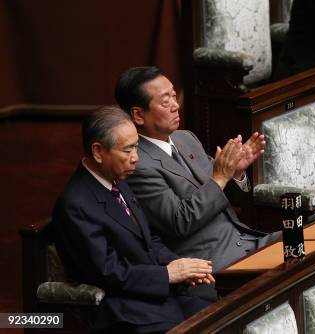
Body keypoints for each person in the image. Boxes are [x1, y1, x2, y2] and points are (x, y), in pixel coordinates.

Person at [115, 67, 277, 302]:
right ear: (138, 115)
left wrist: (235, 174)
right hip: (213, 265)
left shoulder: (185, 138)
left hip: (247, 240)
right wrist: (220, 177)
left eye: (174, 95)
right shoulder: (138, 165)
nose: (175, 105)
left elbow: (221, 195)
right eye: (165, 101)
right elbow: (180, 221)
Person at [53, 106, 214, 333]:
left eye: (136, 147)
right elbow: (107, 271)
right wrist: (166, 275)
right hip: (127, 308)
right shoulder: (75, 204)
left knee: (220, 313)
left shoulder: (118, 179)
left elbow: (149, 239)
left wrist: (180, 266)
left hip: (157, 294)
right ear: (98, 152)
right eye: (127, 150)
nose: (136, 158)